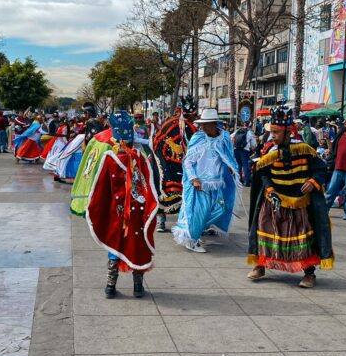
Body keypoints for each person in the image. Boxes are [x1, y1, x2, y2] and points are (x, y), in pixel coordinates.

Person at [247, 105, 333, 289]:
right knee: (265, 233)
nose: (273, 136)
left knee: (303, 237)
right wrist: (269, 189)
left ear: (289, 132)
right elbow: (263, 174)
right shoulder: (269, 151)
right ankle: (260, 265)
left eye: (277, 132)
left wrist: (313, 181)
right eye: (273, 132)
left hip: (300, 203)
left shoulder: (304, 149)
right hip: (273, 201)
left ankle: (309, 273)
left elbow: (321, 169)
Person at [86, 110, 158, 299]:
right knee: (137, 246)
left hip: (115, 213)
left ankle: (110, 286)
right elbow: (150, 187)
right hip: (137, 213)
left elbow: (100, 191)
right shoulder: (141, 160)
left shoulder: (109, 159)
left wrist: (97, 210)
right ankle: (137, 287)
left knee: (114, 246)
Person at [172, 108, 239, 253]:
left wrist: (231, 168)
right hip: (200, 185)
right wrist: (194, 179)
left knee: (220, 210)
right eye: (202, 124)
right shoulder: (198, 138)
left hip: (218, 183)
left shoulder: (225, 137)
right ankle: (192, 241)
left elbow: (228, 156)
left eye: (207, 124)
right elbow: (188, 161)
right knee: (198, 213)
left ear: (214, 124)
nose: (203, 127)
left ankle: (199, 229)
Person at [151, 96, 198, 232]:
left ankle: (179, 221)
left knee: (183, 195)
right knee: (164, 190)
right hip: (169, 166)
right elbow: (157, 143)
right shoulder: (173, 125)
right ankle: (163, 220)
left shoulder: (190, 128)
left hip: (180, 166)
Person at [232, 121, 257, 187]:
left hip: (236, 149)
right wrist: (252, 147)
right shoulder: (249, 132)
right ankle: (246, 181)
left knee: (238, 165)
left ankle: (238, 180)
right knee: (245, 165)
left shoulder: (237, 130)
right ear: (250, 125)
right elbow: (254, 144)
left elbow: (230, 137)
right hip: (244, 150)